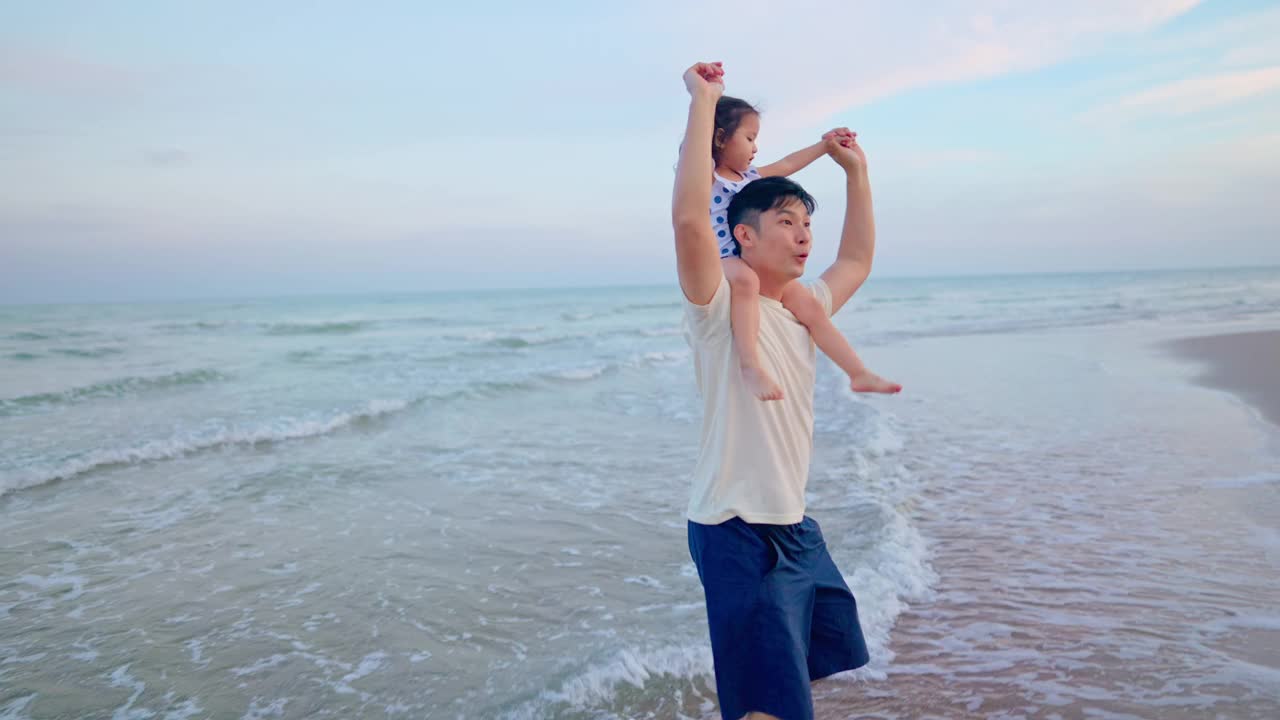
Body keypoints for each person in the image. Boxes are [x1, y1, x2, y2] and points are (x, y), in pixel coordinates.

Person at [673, 61, 885, 720]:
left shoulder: (803, 306)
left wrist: (855, 174)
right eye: (788, 223)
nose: (803, 237)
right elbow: (687, 224)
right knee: (769, 708)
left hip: (792, 528)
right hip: (737, 530)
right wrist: (705, 101)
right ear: (744, 234)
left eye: (806, 225)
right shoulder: (715, 306)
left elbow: (854, 261)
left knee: (795, 682)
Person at [708, 94, 901, 400]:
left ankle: (857, 372)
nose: (755, 147)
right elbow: (694, 158)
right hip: (724, 260)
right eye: (749, 138)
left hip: (750, 263)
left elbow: (787, 164)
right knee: (746, 280)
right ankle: (750, 365)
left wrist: (824, 146)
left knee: (809, 306)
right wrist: (705, 99)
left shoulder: (750, 178)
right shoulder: (706, 176)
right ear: (719, 138)